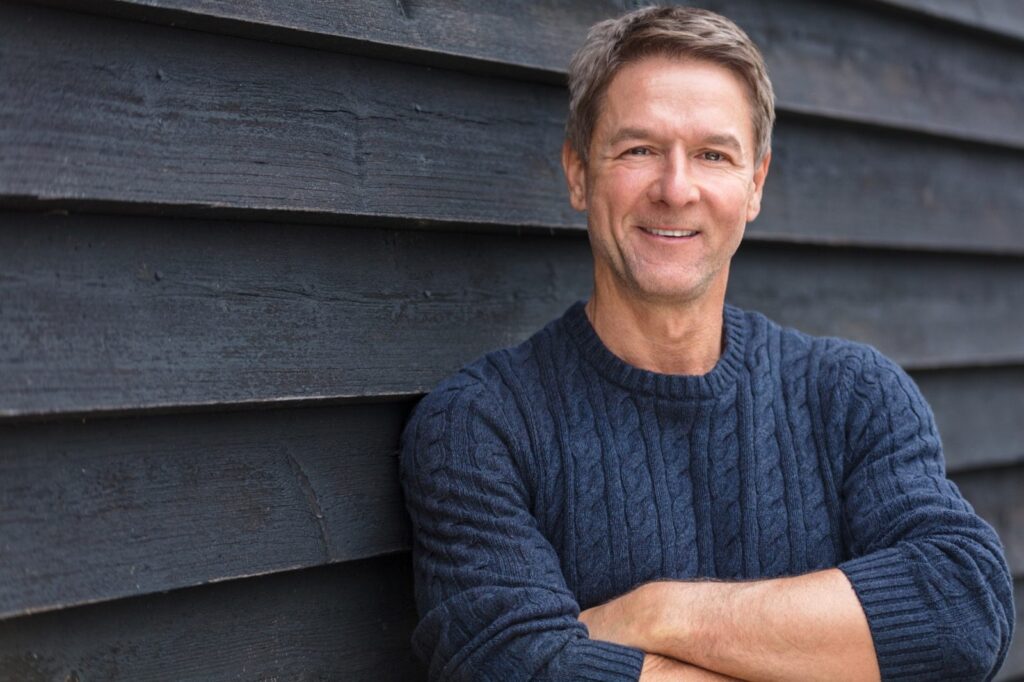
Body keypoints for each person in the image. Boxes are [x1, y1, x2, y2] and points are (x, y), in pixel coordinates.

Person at [399, 6, 1014, 681]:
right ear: (578, 172)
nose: (676, 188)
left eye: (713, 155)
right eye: (638, 149)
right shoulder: (482, 425)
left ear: (755, 184)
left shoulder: (853, 395)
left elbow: (962, 609)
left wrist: (657, 613)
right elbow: (515, 667)